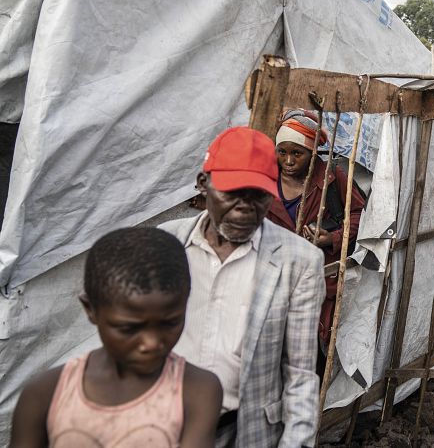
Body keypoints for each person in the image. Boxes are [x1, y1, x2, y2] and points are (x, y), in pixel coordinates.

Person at [160, 126, 325, 448]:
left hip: (244, 430)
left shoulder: (299, 261)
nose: (244, 208)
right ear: (203, 183)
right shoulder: (164, 244)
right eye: (232, 193)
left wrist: (297, 442)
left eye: (258, 196)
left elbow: (301, 373)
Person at [10, 228, 222, 448]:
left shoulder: (196, 390)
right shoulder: (46, 392)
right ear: (90, 309)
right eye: (129, 328)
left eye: (170, 323)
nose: (151, 343)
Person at [266, 111, 366, 371]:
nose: (288, 161)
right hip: (273, 280)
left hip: (318, 283)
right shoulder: (264, 180)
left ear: (312, 153)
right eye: (282, 152)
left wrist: (331, 237)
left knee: (310, 352)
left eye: (297, 153)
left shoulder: (332, 178)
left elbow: (360, 215)